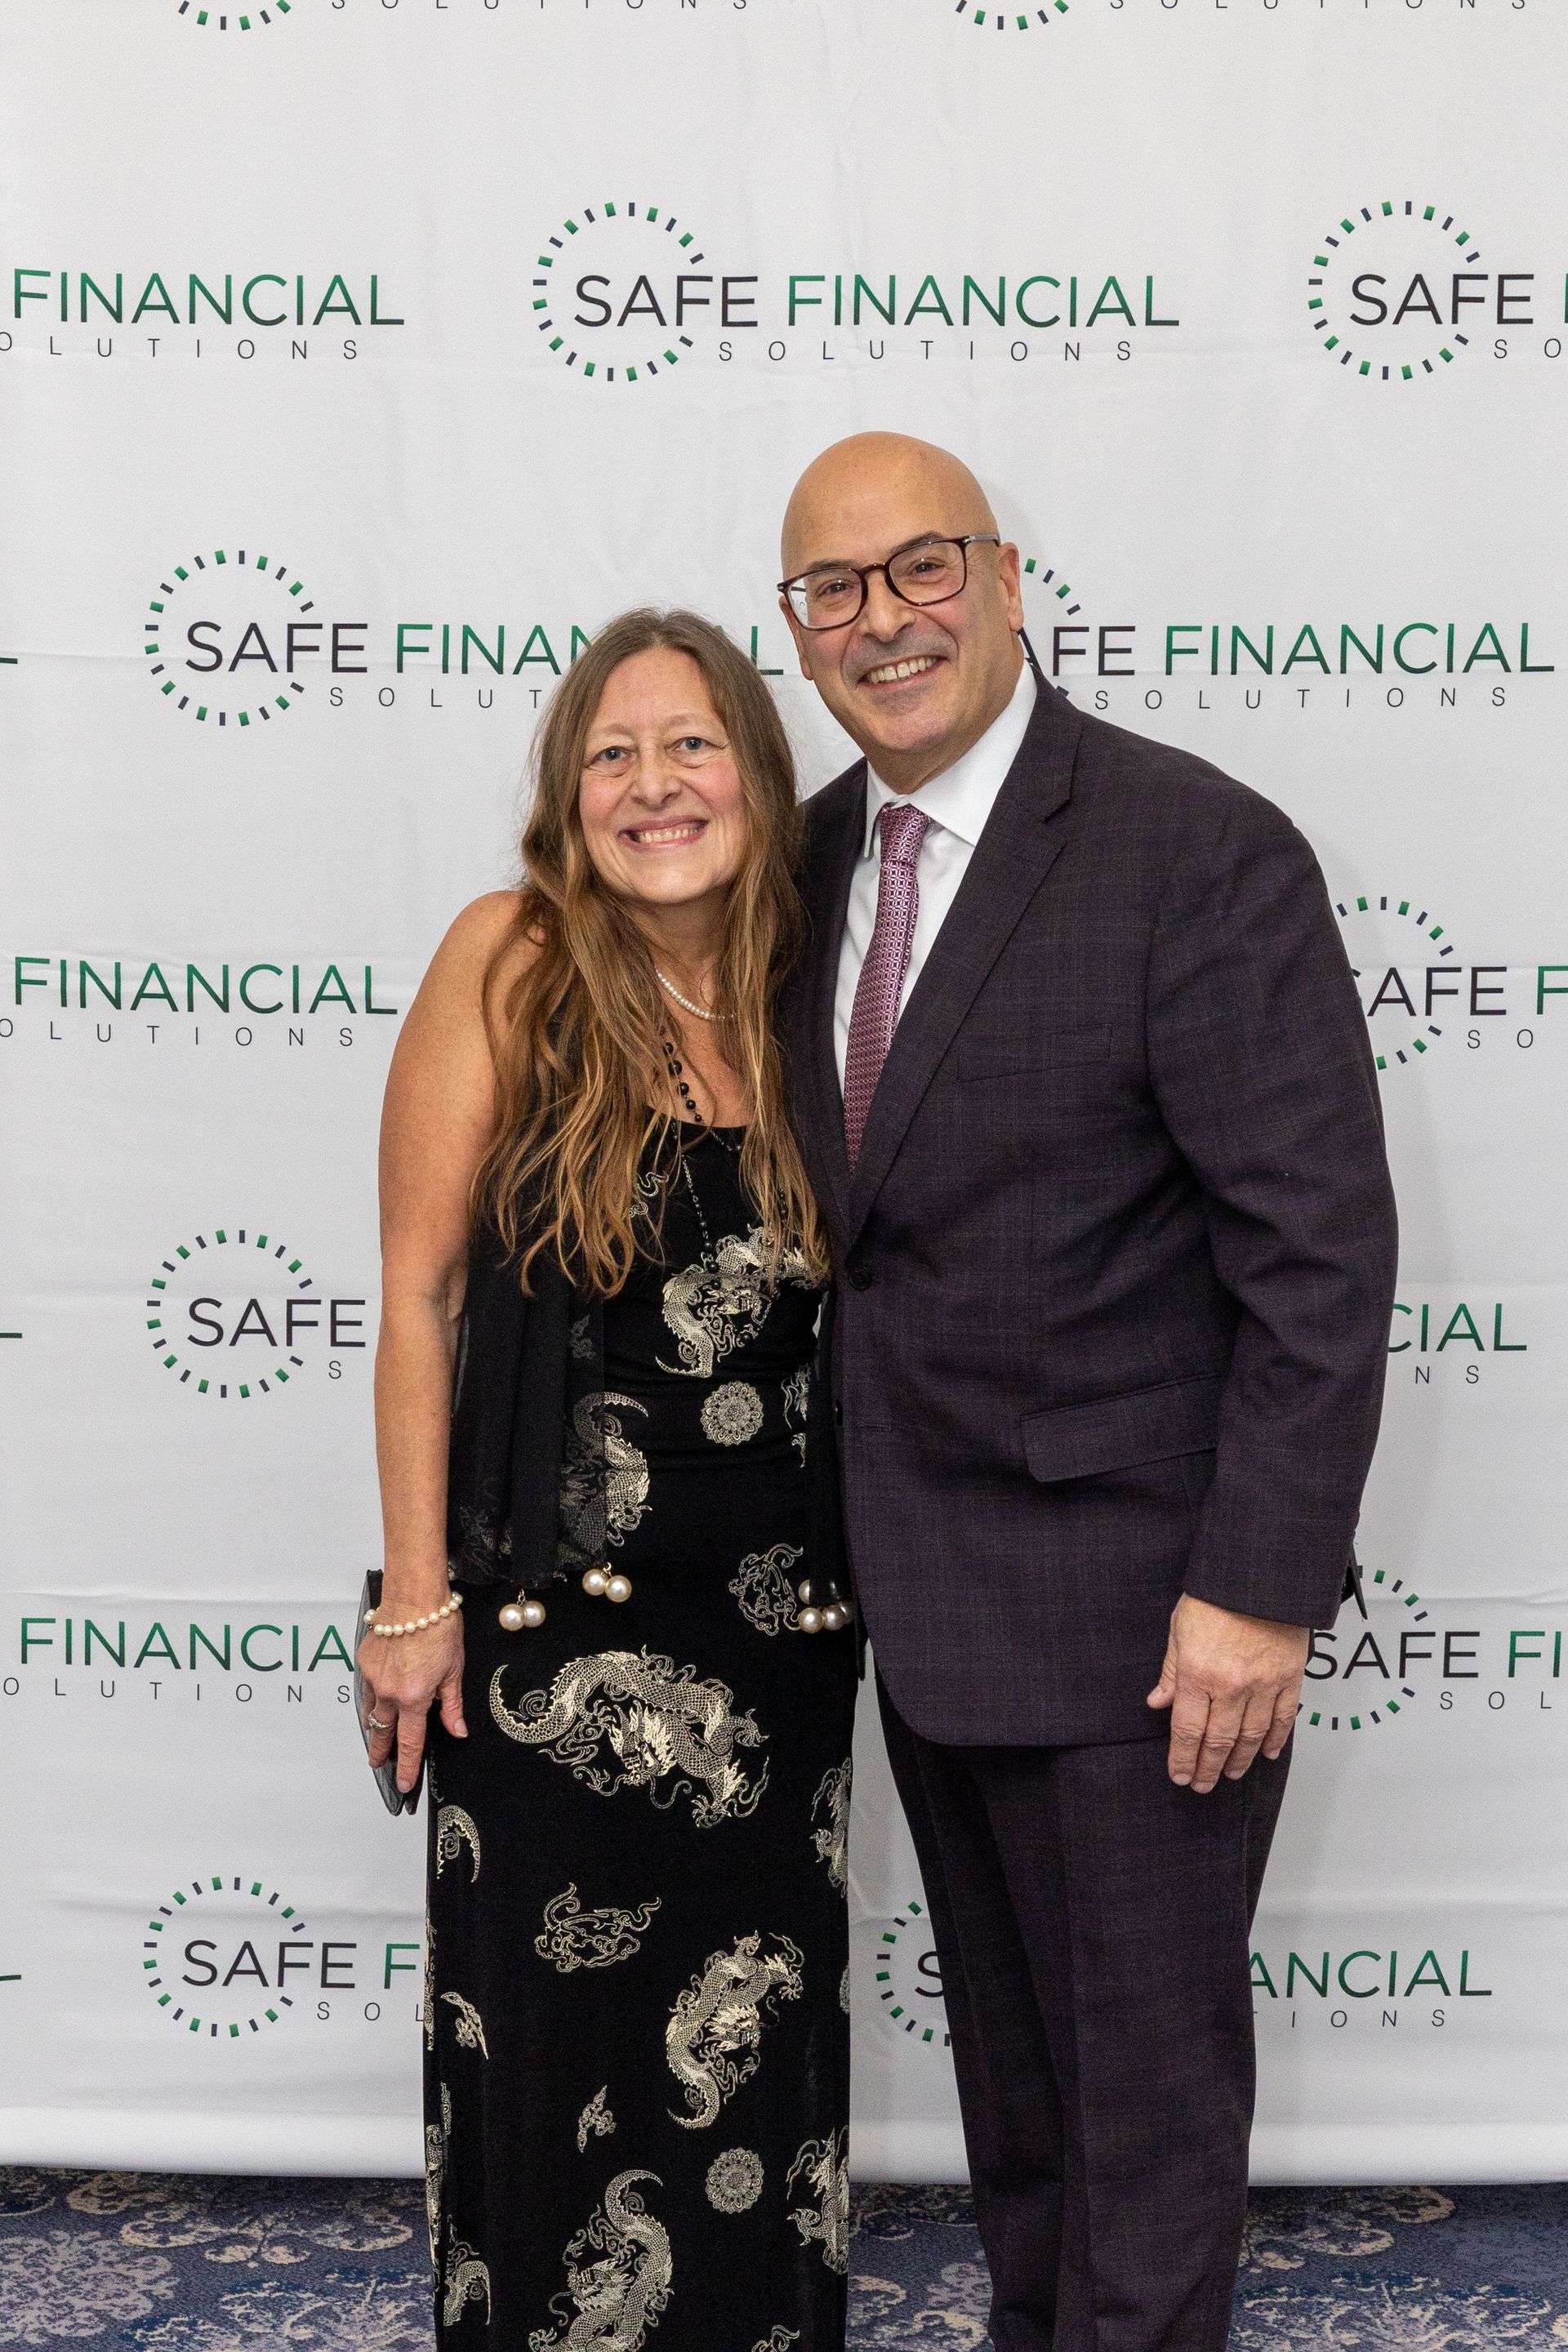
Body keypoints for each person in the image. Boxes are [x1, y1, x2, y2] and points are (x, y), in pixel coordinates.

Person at [777, 434, 1398, 2352]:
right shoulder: (799, 862)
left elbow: (1316, 1251)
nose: (884, 620)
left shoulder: (1192, 849)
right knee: (1024, 2128)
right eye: (833, 589)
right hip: (926, 1604)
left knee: (1144, 2121)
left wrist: (1258, 1591)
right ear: (795, 632)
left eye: (922, 566)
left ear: (1012, 578)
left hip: (1151, 1631)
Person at [357, 608, 857, 2352]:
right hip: (547, 1642)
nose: (658, 786)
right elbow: (418, 1301)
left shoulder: (821, 992)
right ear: (572, 801)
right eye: (614, 755)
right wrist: (413, 1598)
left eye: (694, 743)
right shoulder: (510, 960)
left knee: (759, 2114)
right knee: (548, 2102)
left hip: (788, 1653)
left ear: (760, 772)